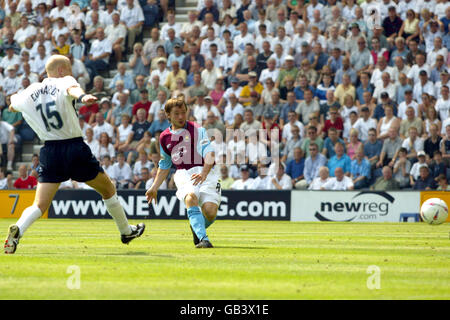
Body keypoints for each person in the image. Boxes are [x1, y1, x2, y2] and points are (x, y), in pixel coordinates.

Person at [4, 55, 145, 255]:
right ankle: (126, 231)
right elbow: (73, 89)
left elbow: (12, 104)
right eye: (69, 69)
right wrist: (83, 97)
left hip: (49, 151)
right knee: (108, 189)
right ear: (61, 70)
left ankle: (18, 229)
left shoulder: (29, 91)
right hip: (74, 148)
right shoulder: (65, 81)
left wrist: (16, 105)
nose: (71, 74)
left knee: (39, 204)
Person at [146, 97, 221, 248]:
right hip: (184, 173)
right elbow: (165, 164)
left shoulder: (198, 130)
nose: (181, 117)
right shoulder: (164, 137)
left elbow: (209, 154)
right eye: (176, 114)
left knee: (210, 212)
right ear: (168, 115)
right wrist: (154, 187)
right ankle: (203, 239)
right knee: (190, 197)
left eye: (183, 112)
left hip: (207, 173)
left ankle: (197, 227)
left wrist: (204, 174)